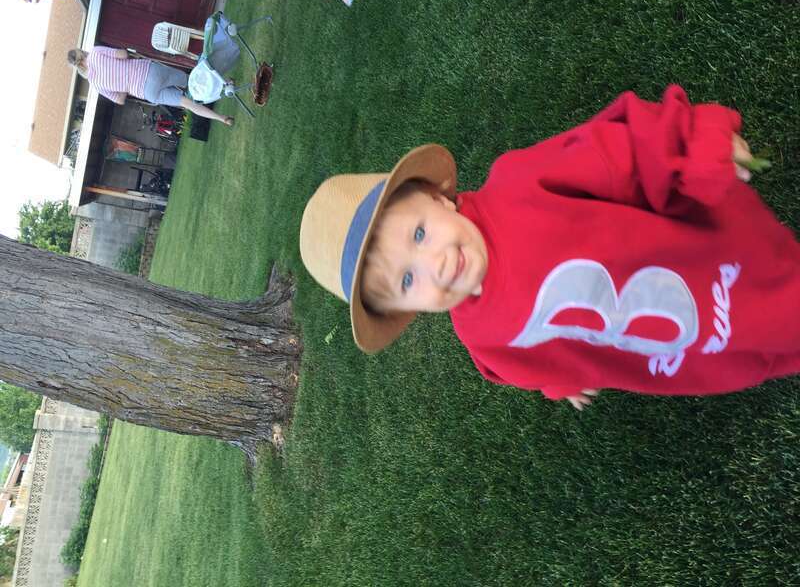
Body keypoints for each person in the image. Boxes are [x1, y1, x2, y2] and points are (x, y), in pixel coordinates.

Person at [300, 85, 800, 410]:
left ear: (439, 200)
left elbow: (612, 152)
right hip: (686, 345)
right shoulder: (479, 335)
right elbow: (524, 358)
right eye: (408, 281)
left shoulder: (518, 187)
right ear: (407, 311)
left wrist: (688, 148)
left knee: (779, 299)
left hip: (705, 258)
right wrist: (559, 381)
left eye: (419, 234)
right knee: (758, 354)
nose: (435, 265)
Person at [67, 47, 234, 127]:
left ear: (77, 66)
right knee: (191, 80)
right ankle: (225, 85)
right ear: (81, 52)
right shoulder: (96, 52)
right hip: (149, 71)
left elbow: (119, 99)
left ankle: (223, 119)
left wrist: (122, 83)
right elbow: (123, 55)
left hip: (145, 92)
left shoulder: (95, 84)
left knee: (186, 103)